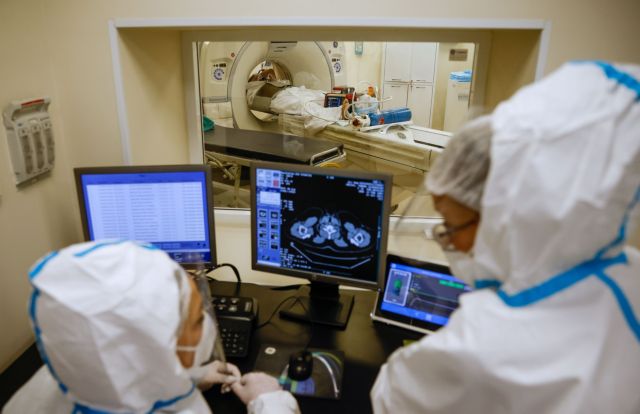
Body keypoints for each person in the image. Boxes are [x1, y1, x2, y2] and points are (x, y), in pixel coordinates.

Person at [370, 61, 640, 413]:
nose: (448, 243)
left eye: (451, 226)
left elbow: (392, 398)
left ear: (507, 219)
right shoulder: (628, 271)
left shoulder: (485, 340)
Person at [2, 240, 293, 413]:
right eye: (195, 319)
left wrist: (185, 375)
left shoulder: (69, 372)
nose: (205, 325)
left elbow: (126, 370)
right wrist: (269, 401)